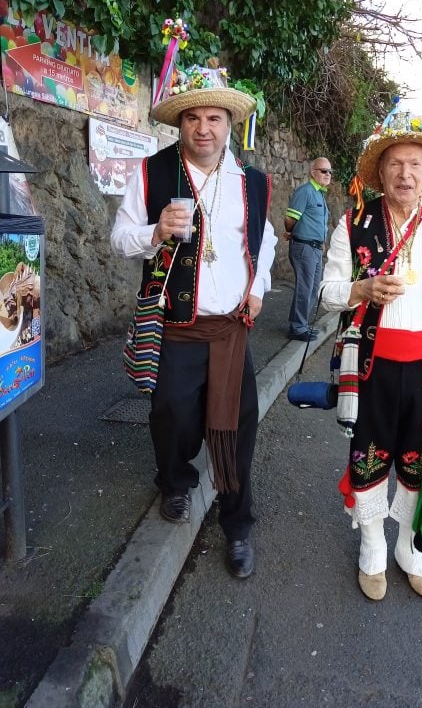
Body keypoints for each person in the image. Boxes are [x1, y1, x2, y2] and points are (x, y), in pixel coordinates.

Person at [111, 65, 277, 579]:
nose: (203, 128)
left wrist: (257, 288)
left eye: (214, 117)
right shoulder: (153, 172)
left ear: (229, 124)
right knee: (172, 416)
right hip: (176, 328)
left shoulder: (252, 183)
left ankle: (238, 522)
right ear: (179, 124)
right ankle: (176, 481)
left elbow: (265, 241)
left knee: (235, 428)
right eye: (193, 118)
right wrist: (155, 231)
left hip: (230, 329)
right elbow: (118, 239)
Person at [320, 106, 422, 602]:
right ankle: (372, 546)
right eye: (395, 164)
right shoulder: (354, 223)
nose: (405, 173)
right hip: (371, 368)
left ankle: (409, 548)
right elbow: (327, 291)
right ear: (382, 171)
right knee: (369, 458)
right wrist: (362, 288)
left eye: (415, 164)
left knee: (417, 462)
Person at [284, 158, 331, 340]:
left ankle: (300, 324)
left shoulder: (319, 194)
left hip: (315, 249)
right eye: (323, 171)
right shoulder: (306, 192)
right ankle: (297, 327)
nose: (328, 175)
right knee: (305, 288)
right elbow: (290, 218)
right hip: (304, 247)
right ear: (313, 172)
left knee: (312, 288)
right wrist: (289, 231)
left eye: (329, 172)